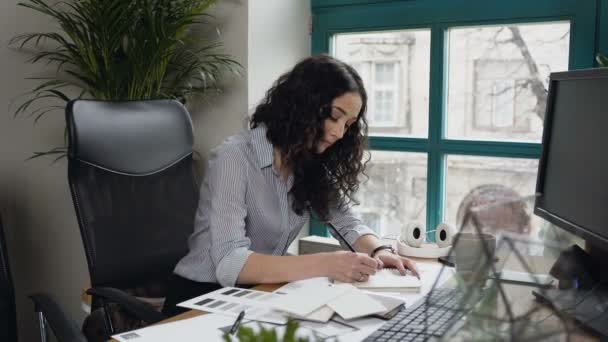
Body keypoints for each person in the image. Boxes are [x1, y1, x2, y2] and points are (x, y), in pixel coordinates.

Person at [162, 55, 419, 316]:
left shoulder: (308, 159)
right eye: (334, 116)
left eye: (348, 125)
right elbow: (230, 263)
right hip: (200, 298)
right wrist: (326, 263)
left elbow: (346, 222)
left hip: (259, 293)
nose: (340, 133)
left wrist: (379, 250)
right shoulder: (234, 157)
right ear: (303, 105)